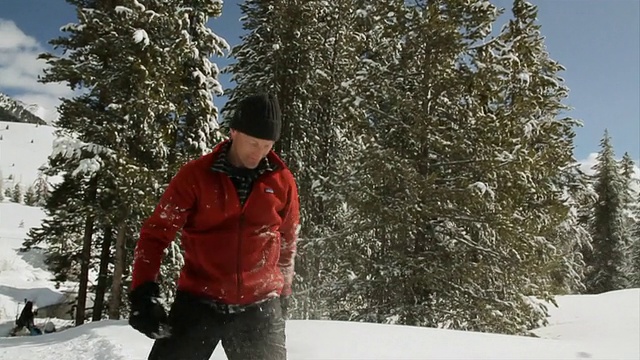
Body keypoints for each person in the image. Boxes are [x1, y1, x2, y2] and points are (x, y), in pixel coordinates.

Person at [128, 93, 300, 360]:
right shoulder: (195, 176)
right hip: (199, 301)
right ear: (233, 132)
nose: (260, 153)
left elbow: (288, 238)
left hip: (260, 306)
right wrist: (143, 291)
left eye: (267, 145)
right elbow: (156, 234)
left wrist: (284, 292)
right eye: (253, 143)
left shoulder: (282, 181)